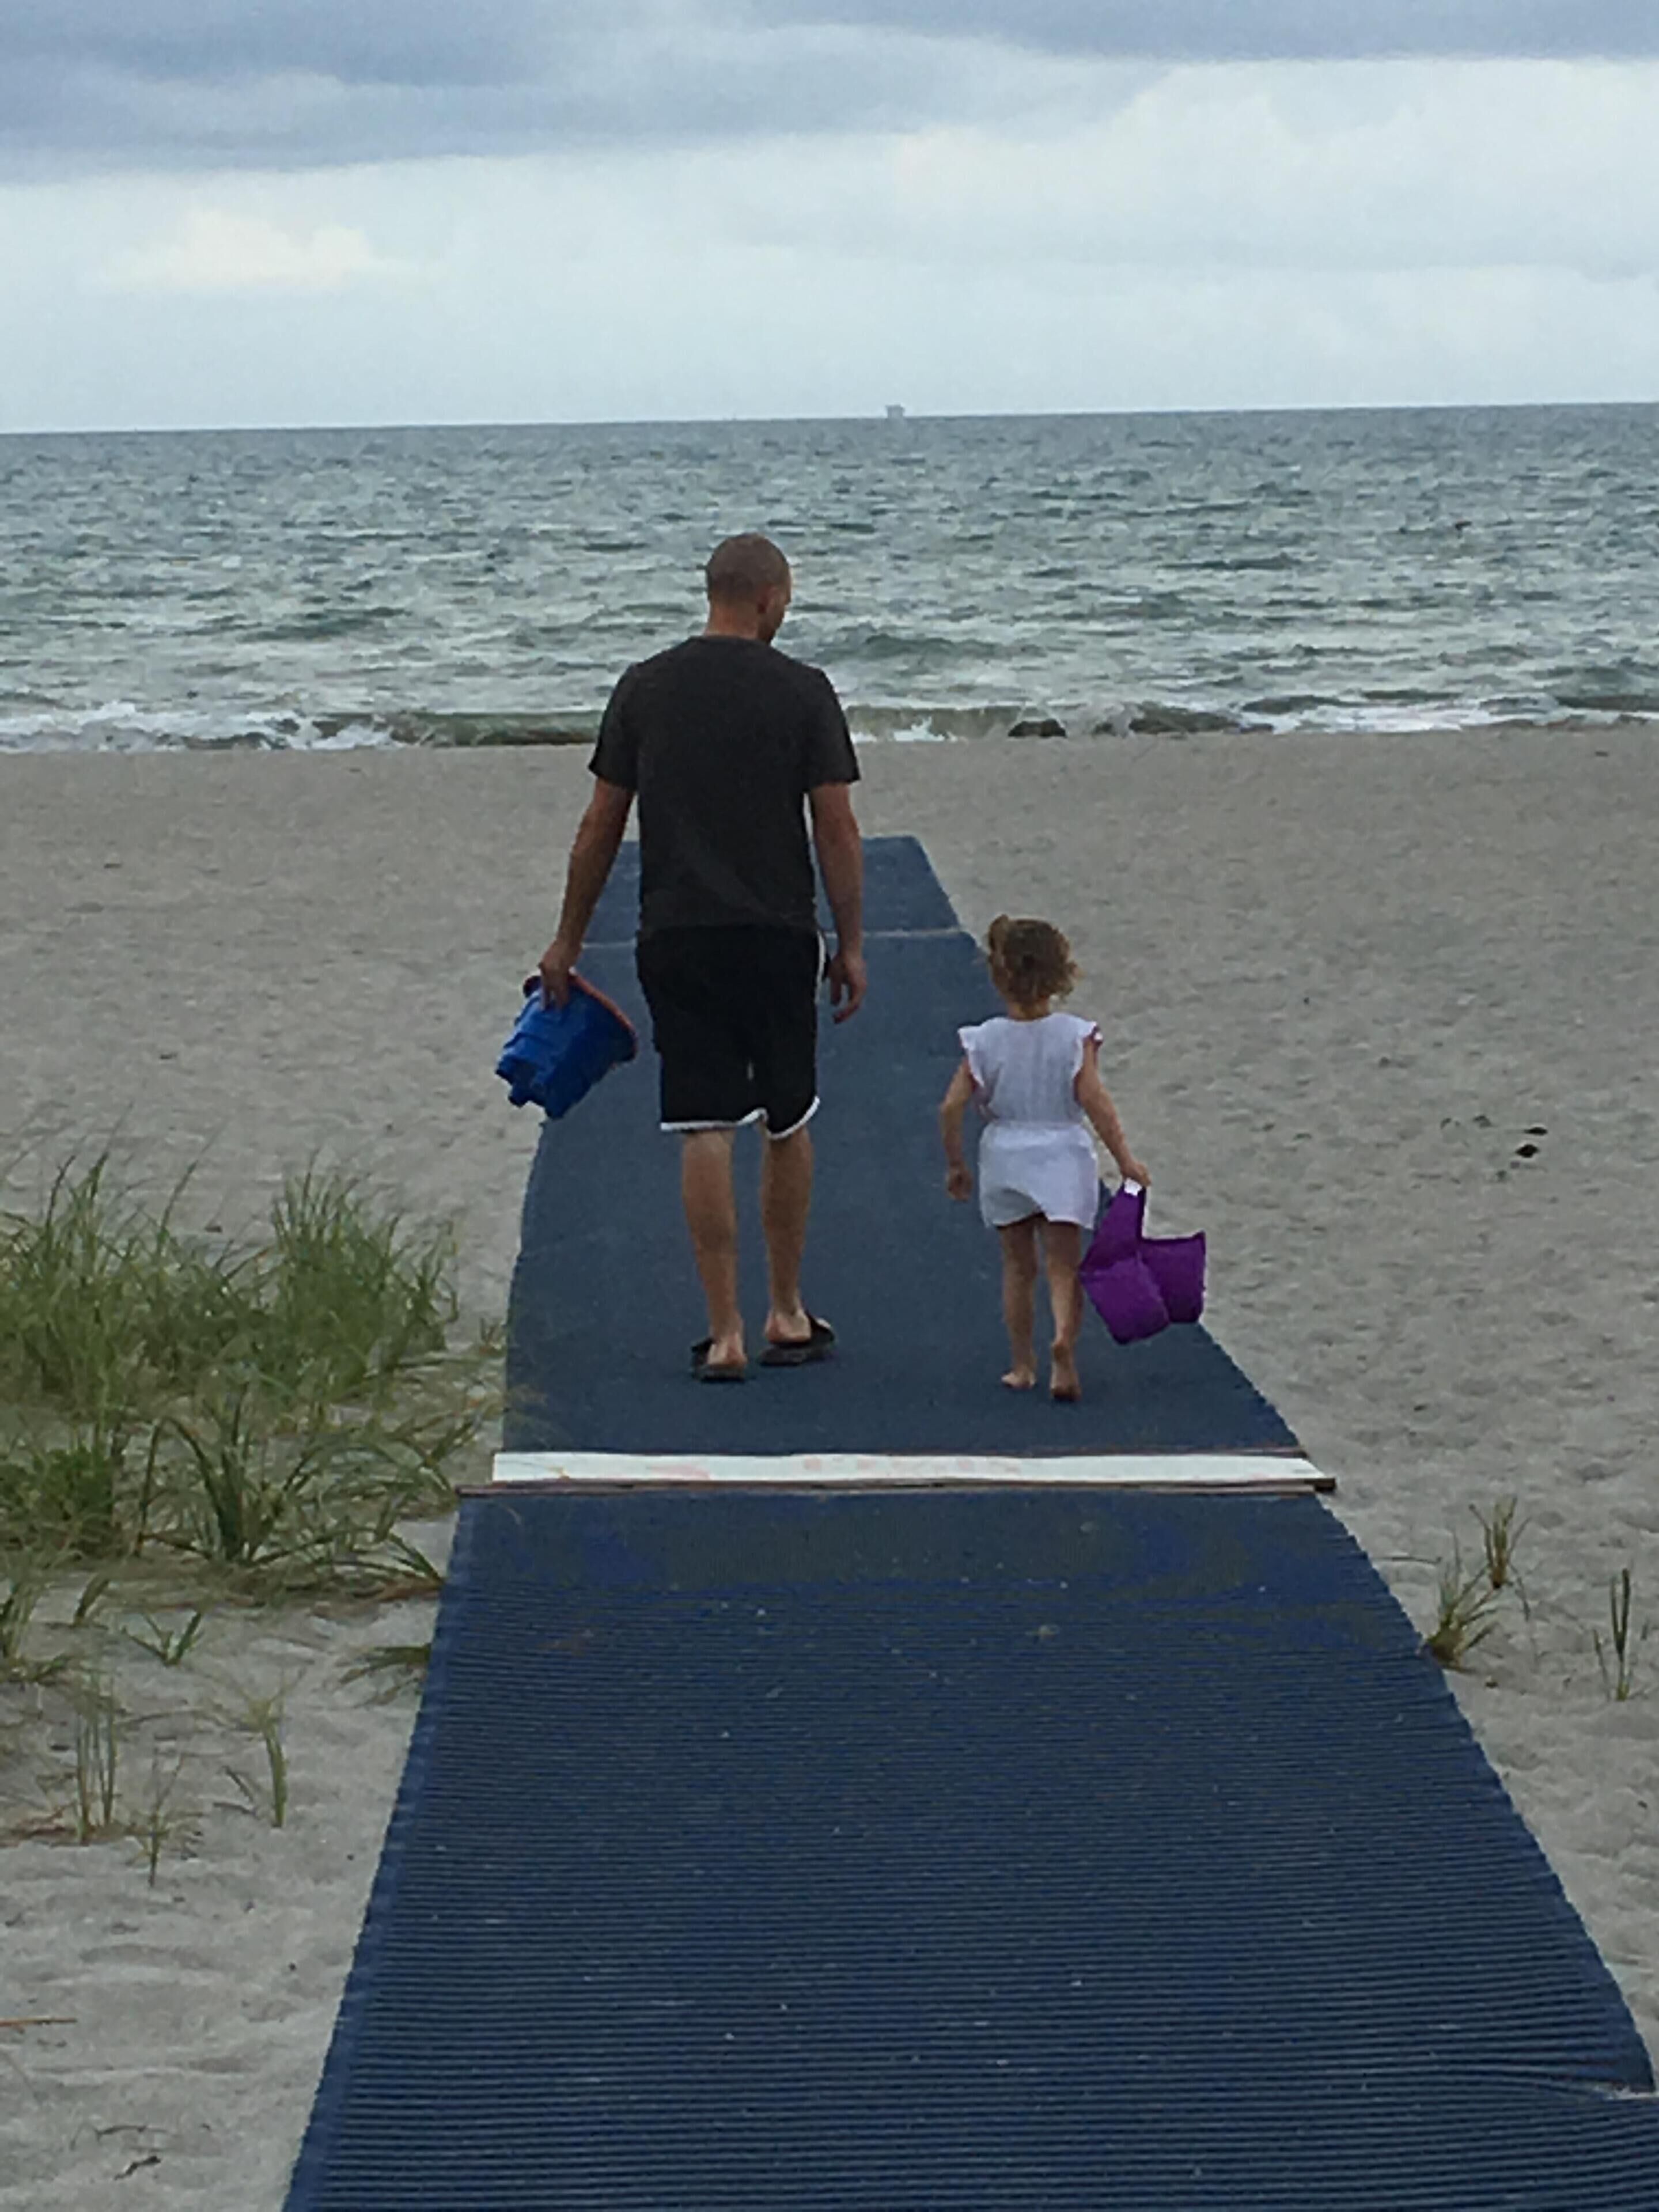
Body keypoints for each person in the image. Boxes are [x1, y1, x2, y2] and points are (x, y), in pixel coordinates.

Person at [538, 533, 866, 1382]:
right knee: (788, 1117)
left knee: (703, 1123)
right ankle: (785, 1309)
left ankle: (723, 1332)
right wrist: (852, 941)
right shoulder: (803, 689)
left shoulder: (645, 687)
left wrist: (568, 938)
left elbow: (601, 823)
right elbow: (835, 826)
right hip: (777, 931)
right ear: (769, 598)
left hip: (677, 930)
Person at [939, 916, 1148, 1403]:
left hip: (1005, 1151)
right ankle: (1063, 1347)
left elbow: (950, 1106)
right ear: (1061, 976)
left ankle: (1021, 1363)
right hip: (1062, 1152)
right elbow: (1095, 1101)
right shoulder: (1075, 1036)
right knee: (1063, 1264)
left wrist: (956, 1163)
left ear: (999, 977)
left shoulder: (984, 1039)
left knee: (1018, 1266)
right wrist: (1125, 1160)